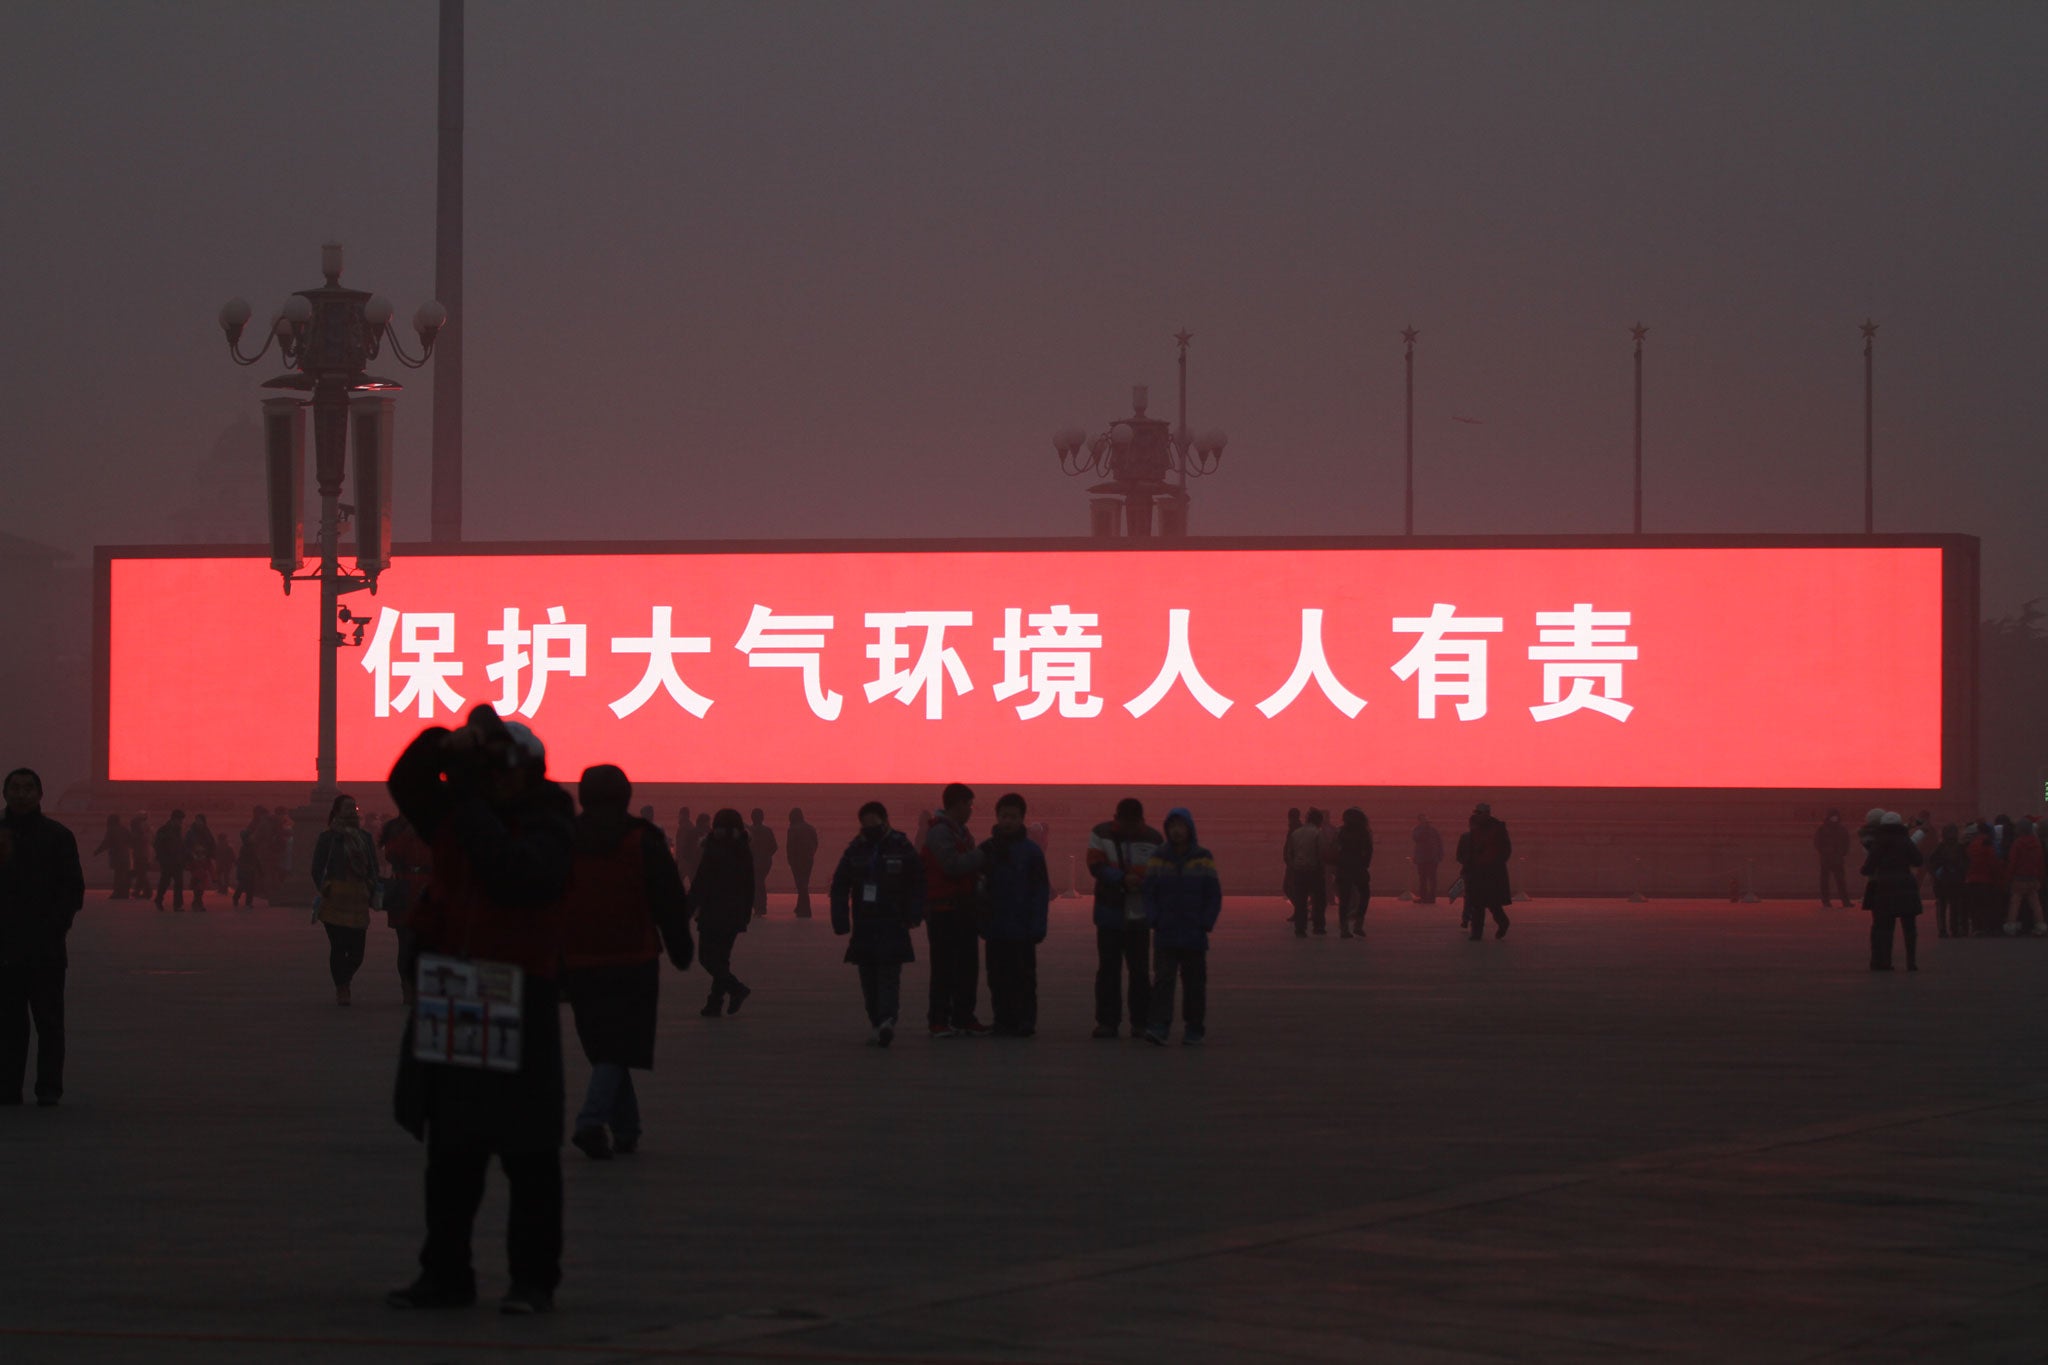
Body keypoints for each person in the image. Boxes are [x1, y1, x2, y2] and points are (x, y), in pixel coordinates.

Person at [386, 705, 575, 1315]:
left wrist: (471, 801)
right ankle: (445, 1274)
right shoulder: (458, 814)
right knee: (451, 1155)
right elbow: (407, 782)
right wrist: (449, 743)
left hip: (522, 993)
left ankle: (532, 1281)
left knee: (530, 1155)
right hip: (457, 990)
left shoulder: (548, 824)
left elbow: (511, 875)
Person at [562, 766, 691, 1161]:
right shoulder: (642, 840)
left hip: (578, 959)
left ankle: (627, 1130)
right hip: (632, 958)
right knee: (617, 1047)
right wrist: (681, 948)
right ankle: (591, 1120)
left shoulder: (564, 839)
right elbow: (669, 900)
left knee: (604, 1047)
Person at [0, 769, 85, 1106]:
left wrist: (54, 928)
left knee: (49, 1022)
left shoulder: (58, 836)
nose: (22, 794)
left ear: (40, 793)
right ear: (5, 793)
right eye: (15, 788)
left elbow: (72, 889)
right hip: (4, 946)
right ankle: (7, 1087)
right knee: (8, 1024)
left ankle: (49, 1086)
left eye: (28, 788)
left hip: (45, 946)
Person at [829, 801, 926, 1047]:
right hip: (864, 924)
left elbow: (917, 882)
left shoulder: (901, 846)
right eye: (865, 823)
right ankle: (876, 1021)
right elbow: (840, 885)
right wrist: (840, 919)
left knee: (889, 975)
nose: (869, 827)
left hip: (893, 922)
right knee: (868, 978)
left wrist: (915, 912)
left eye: (874, 822)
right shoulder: (856, 849)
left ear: (885, 820)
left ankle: (887, 1020)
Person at [1141, 808, 1222, 1046]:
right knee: (1163, 981)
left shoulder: (1203, 857)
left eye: (1181, 826)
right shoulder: (1158, 857)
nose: (1176, 831)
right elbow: (1149, 892)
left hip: (1193, 932)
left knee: (1194, 983)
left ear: (1189, 828)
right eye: (1172, 826)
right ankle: (1159, 1026)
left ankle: (1194, 1028)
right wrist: (1153, 918)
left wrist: (1206, 922)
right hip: (1165, 932)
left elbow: (1213, 894)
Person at [1086, 797, 1161, 1039]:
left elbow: (1159, 871)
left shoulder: (1153, 838)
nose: (1130, 829)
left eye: (1134, 824)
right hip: (1109, 913)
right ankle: (1107, 1021)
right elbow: (1095, 865)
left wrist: (1141, 881)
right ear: (1116, 819)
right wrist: (1121, 879)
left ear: (1142, 821)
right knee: (1109, 969)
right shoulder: (1100, 833)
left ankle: (1141, 1021)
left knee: (1139, 970)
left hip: (1138, 915)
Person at [977, 793, 1050, 1037]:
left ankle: (1025, 1021)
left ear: (1022, 819)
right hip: (996, 926)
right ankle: (1003, 1020)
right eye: (1004, 816)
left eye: (1013, 817)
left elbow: (1040, 891)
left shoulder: (1031, 852)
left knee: (1024, 978)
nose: (1008, 821)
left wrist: (1038, 925)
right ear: (997, 817)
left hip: (1022, 928)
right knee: (997, 977)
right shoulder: (986, 849)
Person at [920, 782, 988, 1037]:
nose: (971, 810)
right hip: (943, 910)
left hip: (963, 908)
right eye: (969, 805)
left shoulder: (961, 832)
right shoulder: (940, 833)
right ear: (958, 804)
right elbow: (952, 865)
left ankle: (963, 1016)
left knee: (967, 966)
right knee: (944, 967)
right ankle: (938, 1019)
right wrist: (981, 856)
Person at [311, 794, 381, 1006]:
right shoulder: (328, 838)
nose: (351, 811)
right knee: (339, 946)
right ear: (337, 810)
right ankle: (342, 987)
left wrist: (372, 887)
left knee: (357, 951)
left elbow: (373, 867)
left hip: (358, 897)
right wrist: (325, 888)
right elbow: (317, 868)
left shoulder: (365, 837)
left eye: (354, 807)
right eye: (347, 807)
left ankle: (345, 978)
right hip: (335, 898)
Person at [691, 809, 755, 1016]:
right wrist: (746, 913)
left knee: (707, 958)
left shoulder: (713, 850)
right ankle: (715, 1002)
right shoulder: (743, 850)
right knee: (721, 959)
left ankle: (735, 989)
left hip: (713, 914)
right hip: (734, 915)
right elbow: (750, 885)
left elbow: (700, 883)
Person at [380, 814, 433, 1003]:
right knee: (406, 942)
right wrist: (409, 833)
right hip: (405, 888)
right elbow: (391, 854)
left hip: (430, 887)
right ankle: (407, 985)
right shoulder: (397, 827)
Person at [1861, 811, 1922, 970]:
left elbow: (1868, 867)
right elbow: (1918, 860)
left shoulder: (1879, 843)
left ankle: (1885, 962)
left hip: (1885, 889)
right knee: (1910, 928)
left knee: (1885, 929)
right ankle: (1911, 962)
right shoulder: (1905, 840)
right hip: (1906, 888)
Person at [1455, 803, 1512, 942]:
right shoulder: (1474, 829)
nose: (1477, 816)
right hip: (1477, 872)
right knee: (1477, 904)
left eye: (1480, 813)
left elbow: (1505, 850)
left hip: (1491, 872)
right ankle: (1477, 933)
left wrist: (1496, 863)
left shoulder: (1497, 829)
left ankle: (1502, 923)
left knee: (1493, 904)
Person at [1285, 808, 1329, 937]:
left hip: (1299, 870)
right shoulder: (1318, 833)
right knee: (1319, 900)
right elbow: (1321, 853)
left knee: (1300, 901)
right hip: (1314, 870)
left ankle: (1300, 928)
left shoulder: (1296, 833)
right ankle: (1318, 927)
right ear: (1319, 821)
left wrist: (1294, 866)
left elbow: (1289, 853)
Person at [1334, 808, 1373, 939]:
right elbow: (1368, 851)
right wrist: (1365, 865)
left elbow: (1335, 848)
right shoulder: (1364, 833)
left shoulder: (1341, 832)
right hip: (1358, 868)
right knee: (1365, 895)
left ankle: (1344, 928)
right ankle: (1358, 924)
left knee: (1344, 899)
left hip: (1343, 868)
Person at [1963, 821, 2005, 939]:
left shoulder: (1973, 844)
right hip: (1985, 879)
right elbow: (1992, 862)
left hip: (1972, 879)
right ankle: (1987, 927)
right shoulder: (1988, 844)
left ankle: (1977, 928)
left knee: (1975, 906)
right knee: (1986, 905)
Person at [2005, 818, 2045, 936]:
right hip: (2033, 877)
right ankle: (2041, 925)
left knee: (2015, 903)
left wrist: (2008, 877)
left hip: (2019, 878)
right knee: (2036, 904)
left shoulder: (2017, 843)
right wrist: (2039, 877)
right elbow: (2040, 862)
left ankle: (2011, 926)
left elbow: (2012, 862)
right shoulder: (2037, 843)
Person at [1927, 824, 1967, 939]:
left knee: (1942, 907)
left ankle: (1943, 930)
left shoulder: (1940, 847)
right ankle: (1954, 929)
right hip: (1955, 881)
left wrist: (1935, 875)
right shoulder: (1960, 848)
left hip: (1942, 882)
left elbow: (1931, 863)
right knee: (1954, 906)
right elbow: (1966, 864)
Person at [786, 807, 820, 919]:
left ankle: (805, 910)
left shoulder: (792, 829)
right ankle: (800, 907)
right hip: (808, 859)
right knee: (804, 883)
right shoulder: (811, 828)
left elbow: (790, 846)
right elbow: (816, 843)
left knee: (801, 885)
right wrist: (811, 854)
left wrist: (790, 860)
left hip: (797, 860)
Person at [1814, 809, 1852, 908]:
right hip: (1827, 858)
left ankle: (1845, 901)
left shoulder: (1841, 829)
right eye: (1833, 816)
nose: (1834, 818)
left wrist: (1842, 853)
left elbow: (1846, 842)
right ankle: (1827, 901)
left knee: (1840, 881)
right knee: (1826, 881)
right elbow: (1817, 843)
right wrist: (1825, 852)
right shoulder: (1822, 829)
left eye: (1836, 816)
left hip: (1836, 858)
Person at [152, 810, 188, 911]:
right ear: (174, 819)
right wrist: (162, 858)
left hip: (177, 861)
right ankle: (159, 899)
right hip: (167, 861)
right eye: (180, 820)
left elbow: (181, 846)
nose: (181, 822)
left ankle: (177, 905)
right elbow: (157, 845)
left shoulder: (179, 830)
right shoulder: (164, 830)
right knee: (165, 882)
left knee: (179, 883)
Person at [747, 808, 778, 917]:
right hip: (765, 862)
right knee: (759, 883)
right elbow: (774, 847)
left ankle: (758, 906)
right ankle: (761, 907)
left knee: (756, 884)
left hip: (754, 862)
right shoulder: (767, 831)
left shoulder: (749, 831)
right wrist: (767, 855)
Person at [93, 814, 131, 900]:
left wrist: (97, 851)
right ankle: (124, 893)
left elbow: (106, 843)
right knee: (123, 874)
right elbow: (131, 840)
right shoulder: (124, 829)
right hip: (125, 855)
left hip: (117, 855)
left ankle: (117, 893)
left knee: (118, 875)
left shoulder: (111, 830)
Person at [185, 814, 217, 912]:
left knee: (201, 881)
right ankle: (197, 901)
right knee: (198, 879)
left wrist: (208, 854)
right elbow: (186, 845)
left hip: (204, 859)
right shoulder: (191, 832)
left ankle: (197, 901)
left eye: (200, 820)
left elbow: (212, 844)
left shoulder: (206, 832)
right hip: (194, 860)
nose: (198, 822)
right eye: (197, 820)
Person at [1411, 814, 1443, 903]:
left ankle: (1431, 898)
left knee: (1431, 879)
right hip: (1422, 859)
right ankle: (1424, 897)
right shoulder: (1417, 830)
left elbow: (1439, 843)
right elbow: (1416, 838)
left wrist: (1440, 855)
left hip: (1431, 858)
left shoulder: (1433, 830)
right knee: (1423, 879)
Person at [126, 814, 152, 899]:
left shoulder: (138, 835)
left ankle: (147, 892)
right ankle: (138, 891)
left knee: (141, 874)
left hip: (140, 856)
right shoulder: (144, 833)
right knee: (141, 874)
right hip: (143, 856)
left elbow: (132, 844)